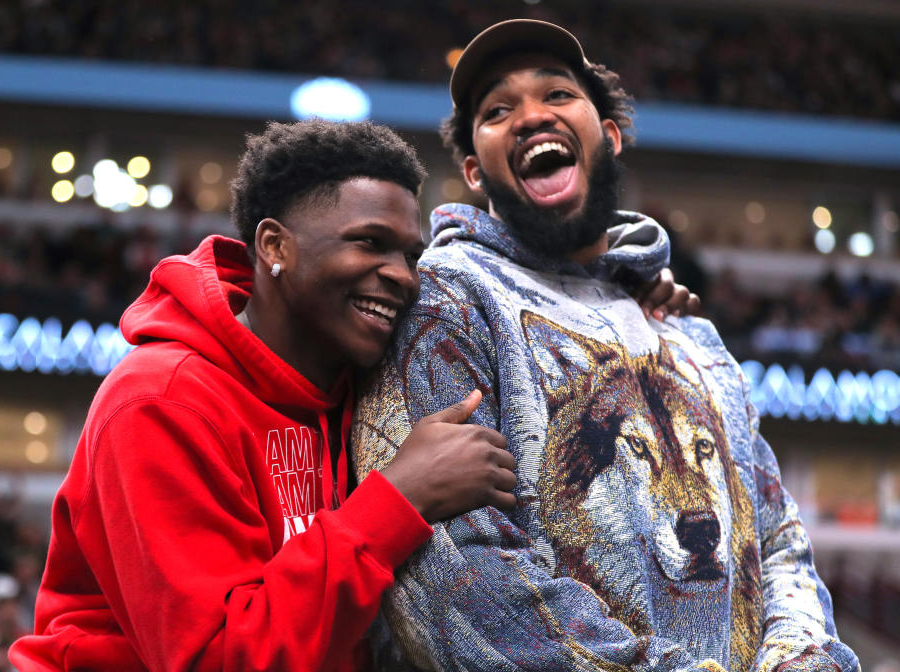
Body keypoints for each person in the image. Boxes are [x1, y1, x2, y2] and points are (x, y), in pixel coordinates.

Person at [8, 118, 695, 672]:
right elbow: (217, 658)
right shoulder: (160, 400)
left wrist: (624, 299)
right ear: (274, 247)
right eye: (369, 243)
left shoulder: (358, 379)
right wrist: (398, 499)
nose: (400, 276)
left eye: (409, 254)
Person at [352, 20, 859, 672]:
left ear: (610, 138)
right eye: (498, 110)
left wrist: (806, 662)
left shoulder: (690, 333)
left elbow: (778, 539)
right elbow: (460, 579)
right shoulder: (448, 305)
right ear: (476, 173)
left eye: (558, 95)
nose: (532, 116)